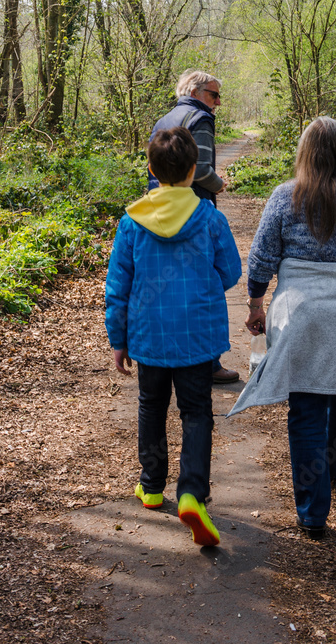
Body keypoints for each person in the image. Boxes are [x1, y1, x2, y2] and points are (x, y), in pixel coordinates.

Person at [228, 116, 336, 539]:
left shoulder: (286, 196)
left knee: (307, 410)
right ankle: (327, 473)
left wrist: (256, 304)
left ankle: (312, 512)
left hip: (302, 313)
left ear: (304, 152)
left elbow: (262, 258)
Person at [105, 126, 242, 546]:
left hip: (149, 335)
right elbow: (232, 271)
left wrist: (118, 338)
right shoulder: (209, 218)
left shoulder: (132, 223)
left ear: (150, 168)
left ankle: (150, 486)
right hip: (197, 336)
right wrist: (200, 283)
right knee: (196, 412)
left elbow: (118, 286)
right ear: (195, 171)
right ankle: (191, 494)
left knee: (151, 406)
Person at [148, 70, 239, 385]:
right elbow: (200, 169)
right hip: (192, 210)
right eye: (214, 95)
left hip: (158, 208)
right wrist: (219, 184)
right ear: (197, 92)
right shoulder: (200, 119)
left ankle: (166, 357)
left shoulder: (164, 119)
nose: (217, 103)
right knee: (200, 285)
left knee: (164, 285)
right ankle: (208, 362)